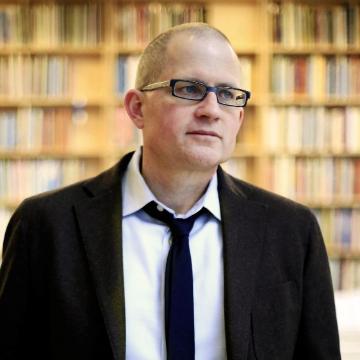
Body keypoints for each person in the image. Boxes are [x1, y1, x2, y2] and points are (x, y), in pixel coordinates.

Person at [0, 23, 340, 360]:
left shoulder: (292, 230)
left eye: (228, 95)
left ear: (239, 118)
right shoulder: (45, 225)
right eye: (190, 89)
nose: (211, 109)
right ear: (136, 108)